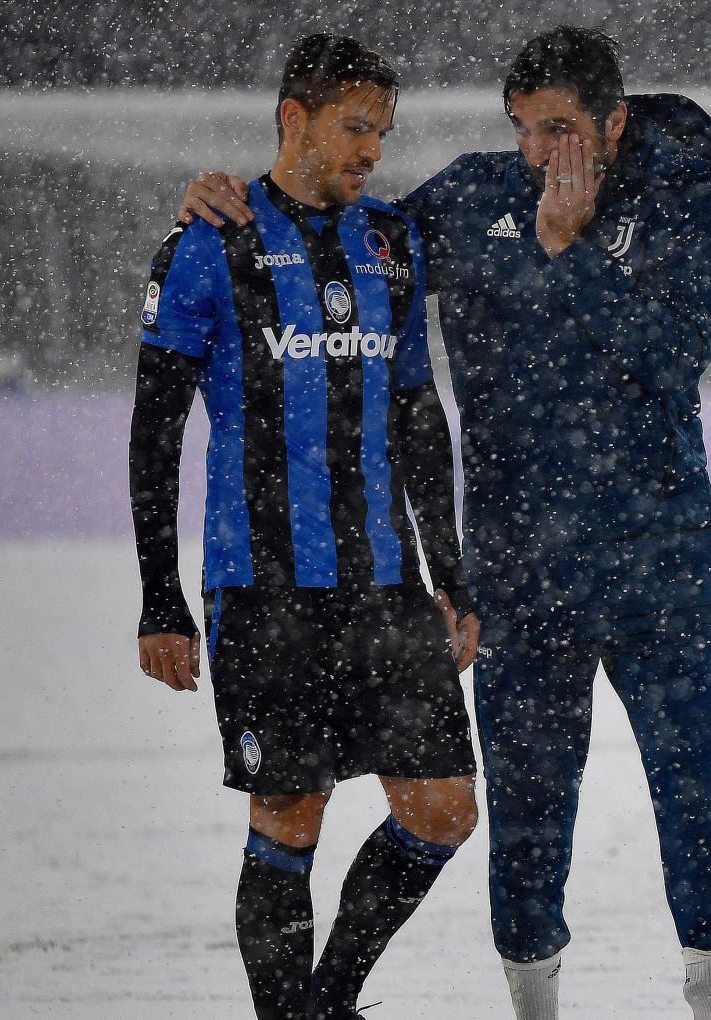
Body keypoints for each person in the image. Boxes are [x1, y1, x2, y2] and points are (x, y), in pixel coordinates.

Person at [180, 26, 711, 1020]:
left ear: (614, 122)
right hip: (522, 577)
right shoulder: (480, 196)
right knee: (526, 823)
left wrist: (567, 254)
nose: (539, 153)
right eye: (525, 130)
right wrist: (234, 205)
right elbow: (347, 230)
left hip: (666, 569)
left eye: (561, 128)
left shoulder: (686, 204)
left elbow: (672, 352)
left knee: (692, 798)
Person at [131, 34, 480, 1020]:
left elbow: (417, 414)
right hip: (266, 585)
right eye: (354, 125)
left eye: (383, 129)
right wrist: (161, 596)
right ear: (296, 119)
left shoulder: (392, 242)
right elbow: (155, 430)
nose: (372, 146)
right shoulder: (212, 242)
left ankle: (326, 1003)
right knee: (289, 814)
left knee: (444, 807)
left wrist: (449, 573)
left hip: (384, 583)